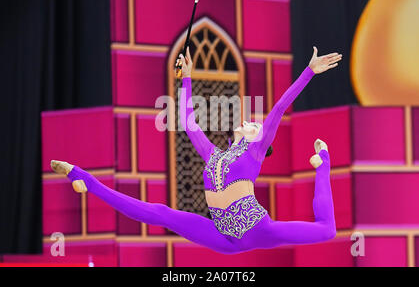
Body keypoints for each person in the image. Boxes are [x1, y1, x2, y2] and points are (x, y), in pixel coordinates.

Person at [51, 46, 342, 254]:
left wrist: (308, 72)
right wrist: (186, 78)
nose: (249, 121)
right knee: (161, 213)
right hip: (224, 238)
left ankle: (323, 163)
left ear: (260, 137)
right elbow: (189, 124)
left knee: (327, 230)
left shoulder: (255, 151)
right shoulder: (214, 156)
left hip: (257, 229)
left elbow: (279, 108)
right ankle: (82, 177)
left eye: (254, 124)